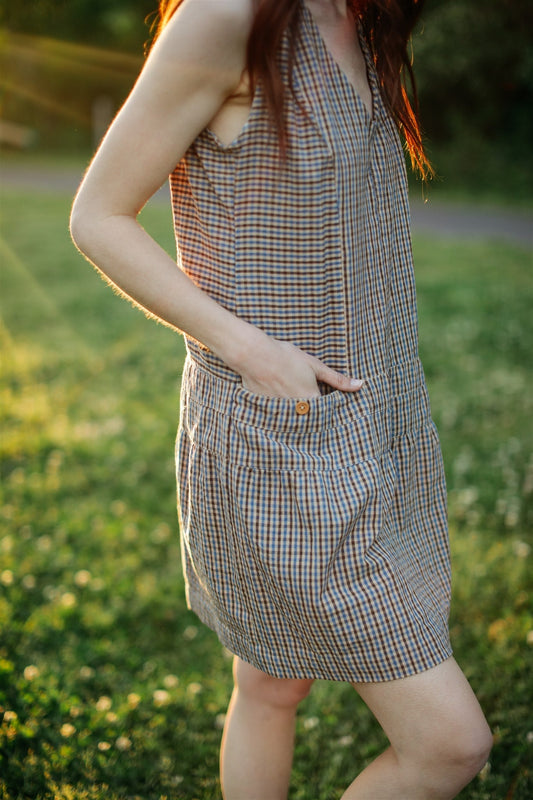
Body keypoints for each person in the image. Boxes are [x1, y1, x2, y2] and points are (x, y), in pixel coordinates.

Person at [70, 0, 492, 797]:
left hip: (381, 426)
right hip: (276, 443)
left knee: (271, 684)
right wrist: (249, 349)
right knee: (450, 745)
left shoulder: (364, 18)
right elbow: (98, 215)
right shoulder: (228, 16)